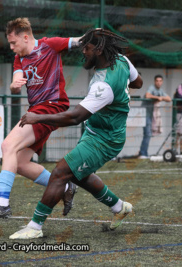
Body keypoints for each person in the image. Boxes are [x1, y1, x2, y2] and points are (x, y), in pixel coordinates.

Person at [9, 29, 143, 239]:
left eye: (87, 48)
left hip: (105, 140)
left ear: (99, 49)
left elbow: (74, 117)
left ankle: (35, 227)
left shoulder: (103, 86)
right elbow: (138, 82)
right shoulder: (122, 60)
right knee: (78, 175)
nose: (83, 52)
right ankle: (119, 207)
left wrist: (37, 117)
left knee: (61, 172)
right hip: (96, 131)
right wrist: (121, 92)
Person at [0, 18, 84, 220]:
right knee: (19, 163)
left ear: (26, 37)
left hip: (51, 108)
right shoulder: (20, 58)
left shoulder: (49, 45)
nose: (11, 48)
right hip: (36, 112)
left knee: (7, 146)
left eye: (13, 43)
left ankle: (3, 205)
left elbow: (77, 42)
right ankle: (64, 187)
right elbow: (14, 82)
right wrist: (14, 86)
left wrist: (93, 36)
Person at [138, 75, 171, 159]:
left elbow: (169, 99)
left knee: (149, 134)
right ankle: (143, 153)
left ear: (162, 82)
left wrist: (161, 98)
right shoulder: (151, 87)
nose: (159, 82)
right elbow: (147, 95)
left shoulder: (160, 90)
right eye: (157, 81)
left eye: (160, 81)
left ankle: (143, 153)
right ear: (154, 81)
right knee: (147, 134)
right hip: (145, 114)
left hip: (152, 116)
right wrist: (157, 97)